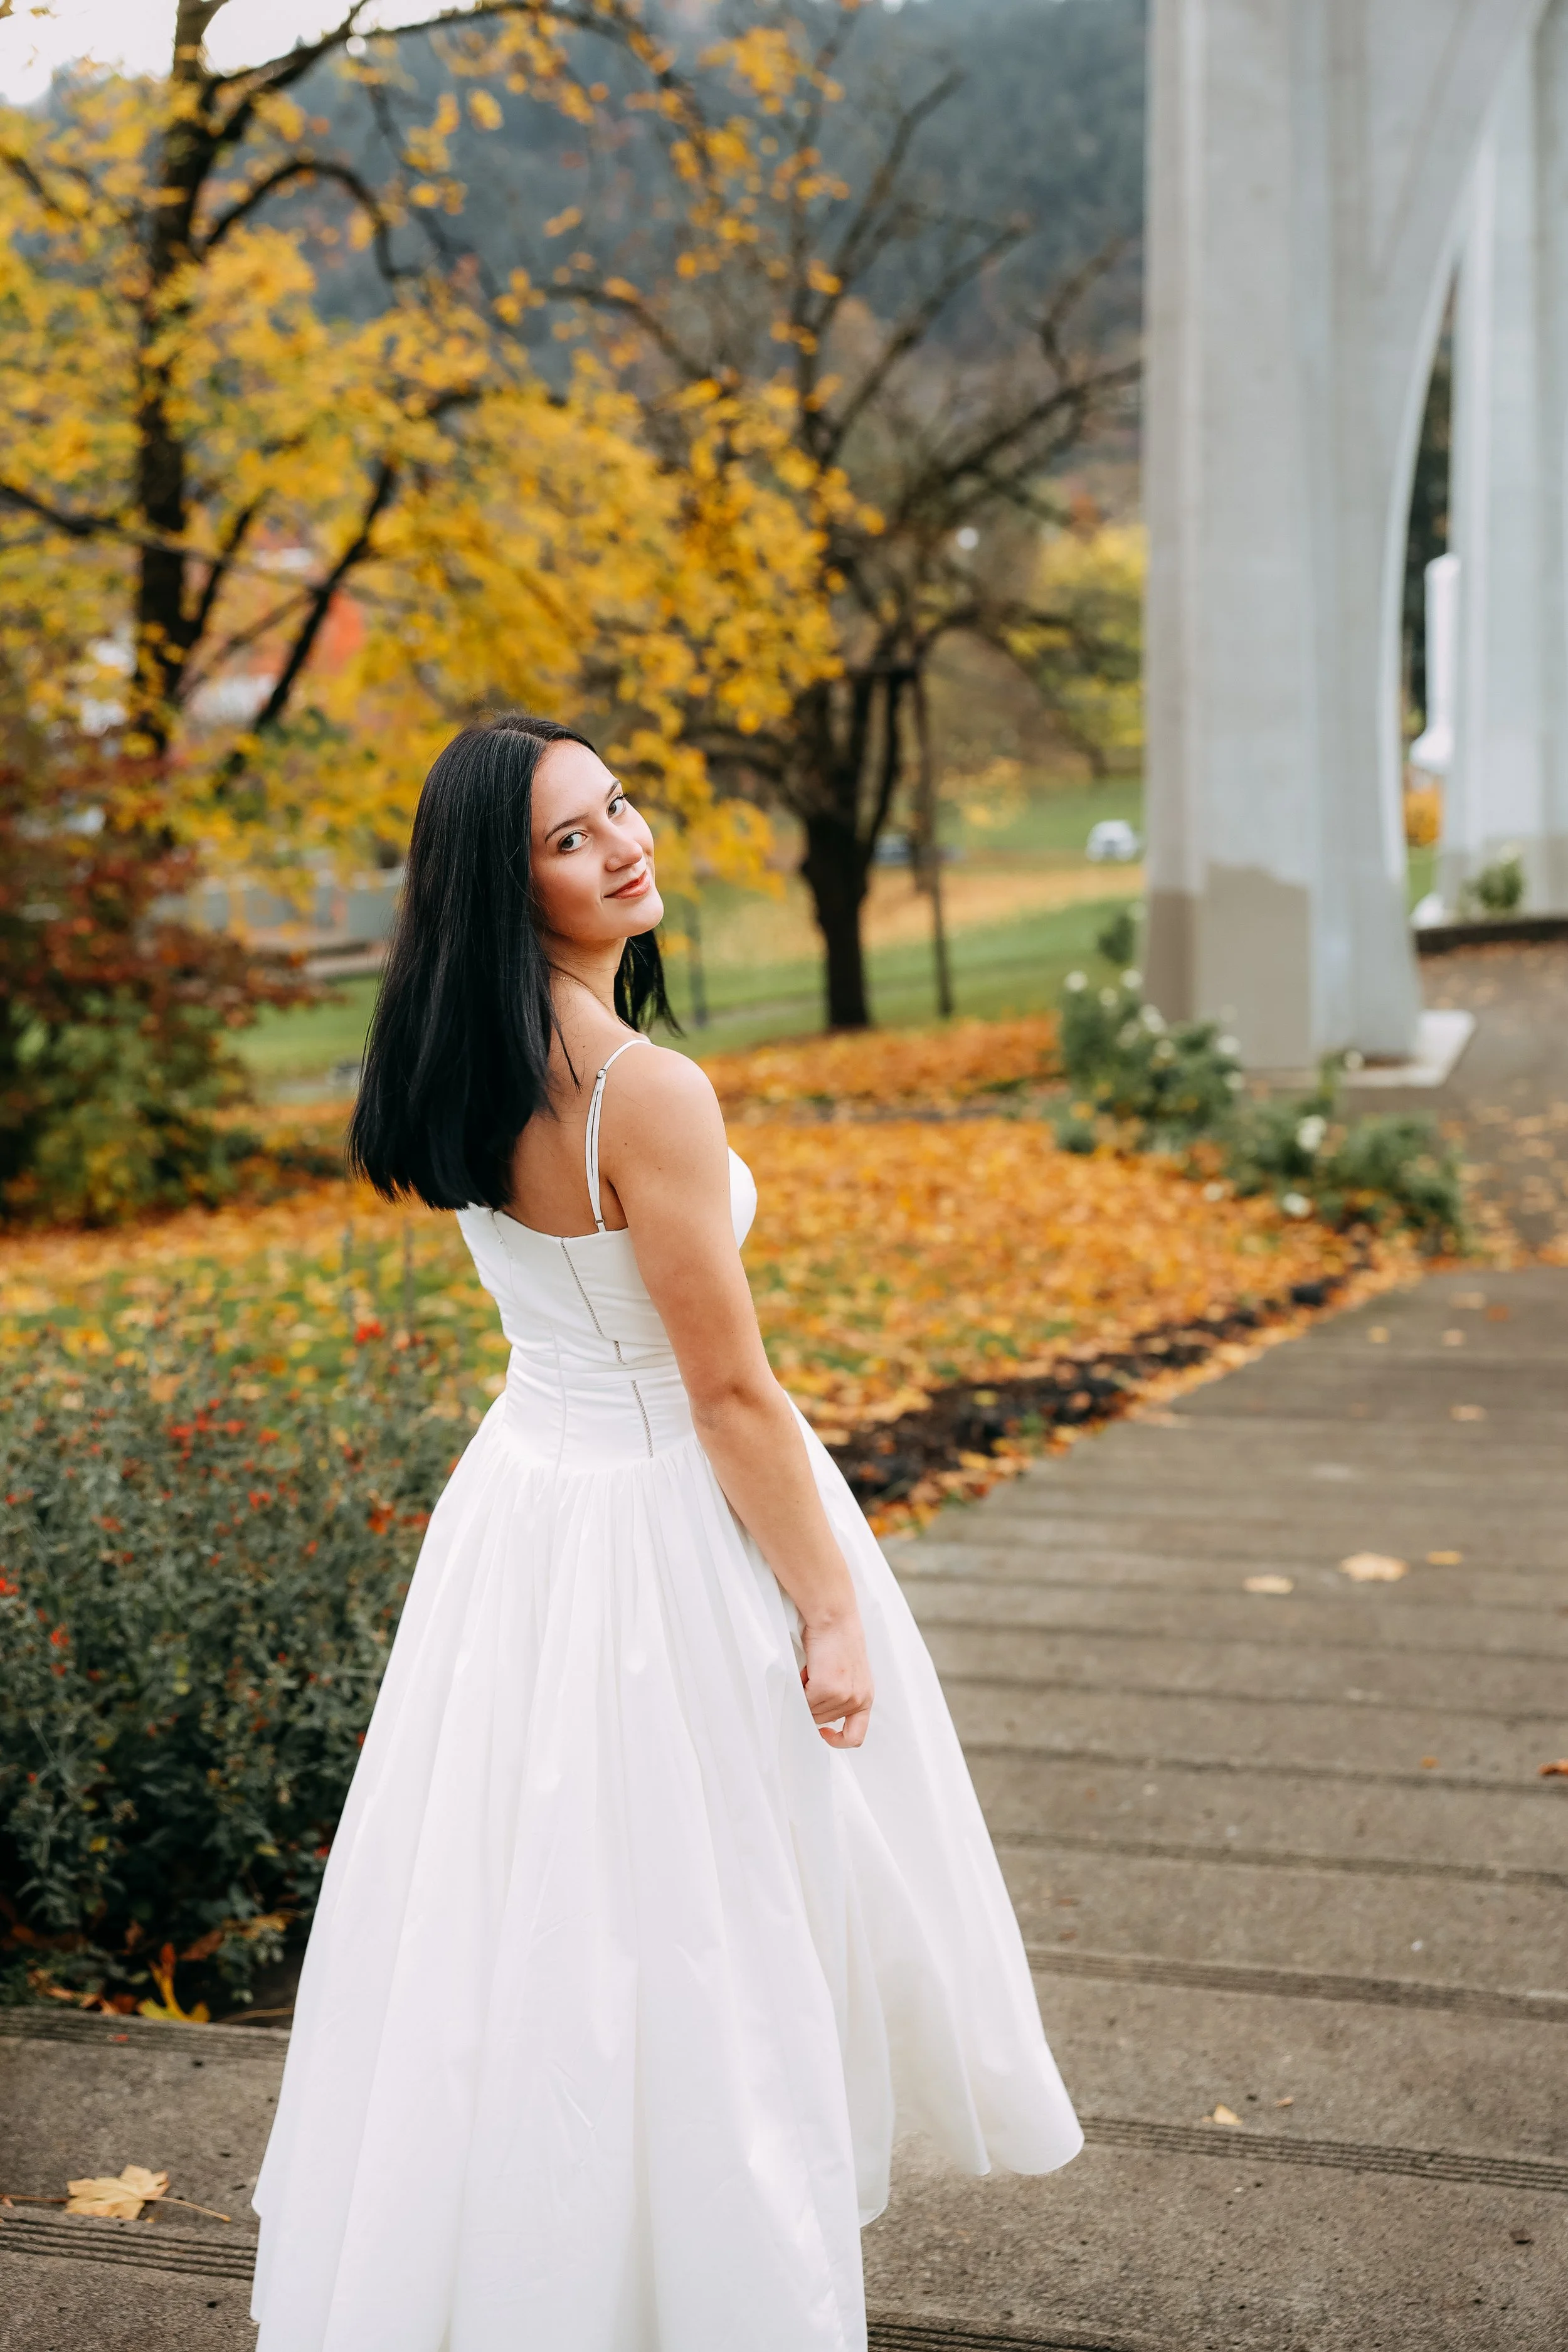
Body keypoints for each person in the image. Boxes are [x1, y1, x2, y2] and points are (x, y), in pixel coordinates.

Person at [250, 713, 1081, 2352]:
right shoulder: (644, 1088)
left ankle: (528, 2272)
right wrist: (827, 1607)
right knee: (708, 1929)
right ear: (509, 879)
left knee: (532, 1925)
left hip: (522, 1510)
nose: (623, 840)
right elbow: (731, 1395)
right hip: (654, 1528)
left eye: (615, 805)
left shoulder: (460, 1054)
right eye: (572, 833)